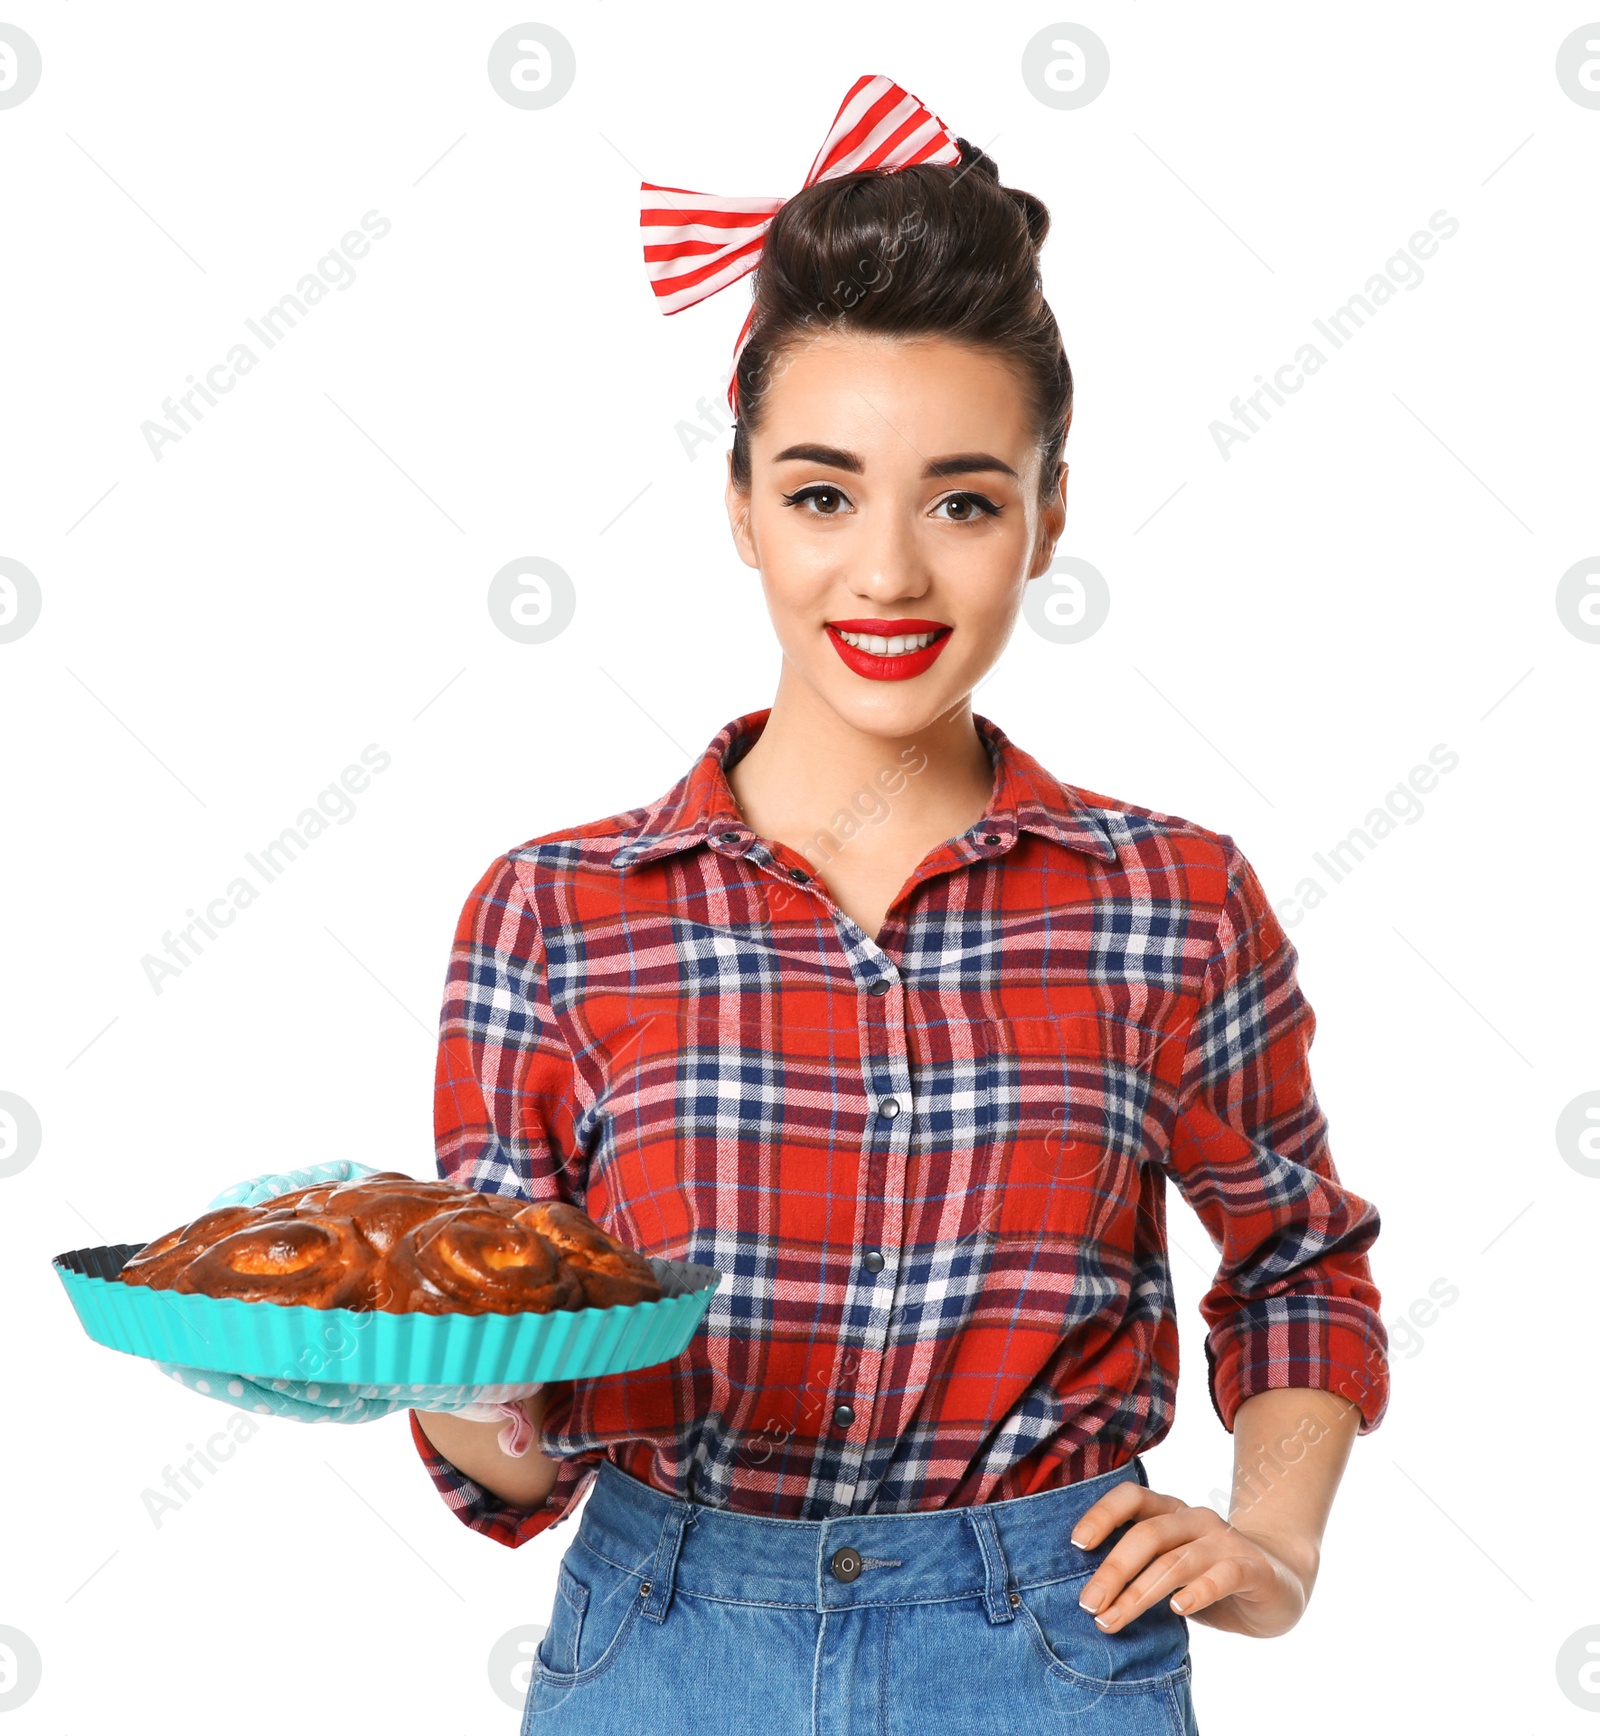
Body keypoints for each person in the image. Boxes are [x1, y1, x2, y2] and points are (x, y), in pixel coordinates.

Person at [411, 74, 1389, 1736]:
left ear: (1047, 514)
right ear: (740, 509)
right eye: (819, 493)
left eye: (960, 499)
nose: (886, 575)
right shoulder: (554, 914)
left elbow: (1297, 1257)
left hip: (1043, 1645)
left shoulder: (1172, 901)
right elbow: (514, 1426)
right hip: (662, 1646)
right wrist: (428, 1382)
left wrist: (1276, 1542)